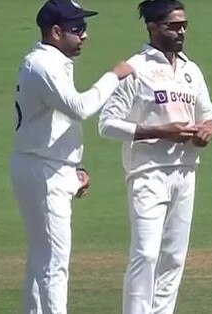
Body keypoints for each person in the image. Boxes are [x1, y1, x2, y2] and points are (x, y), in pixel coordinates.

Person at [9, 0, 135, 313]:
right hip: (42, 169)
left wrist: (71, 168)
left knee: (41, 257)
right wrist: (114, 77)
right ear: (55, 31)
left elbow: (53, 121)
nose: (85, 35)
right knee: (53, 261)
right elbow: (79, 108)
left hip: (47, 165)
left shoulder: (51, 62)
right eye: (77, 29)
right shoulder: (44, 66)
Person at [98, 1, 212, 313]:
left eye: (183, 25)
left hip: (186, 170)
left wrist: (207, 129)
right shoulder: (135, 68)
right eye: (172, 25)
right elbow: (107, 124)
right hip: (148, 172)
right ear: (152, 27)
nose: (180, 31)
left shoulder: (191, 70)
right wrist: (161, 131)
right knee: (146, 253)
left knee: (174, 257)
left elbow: (210, 115)